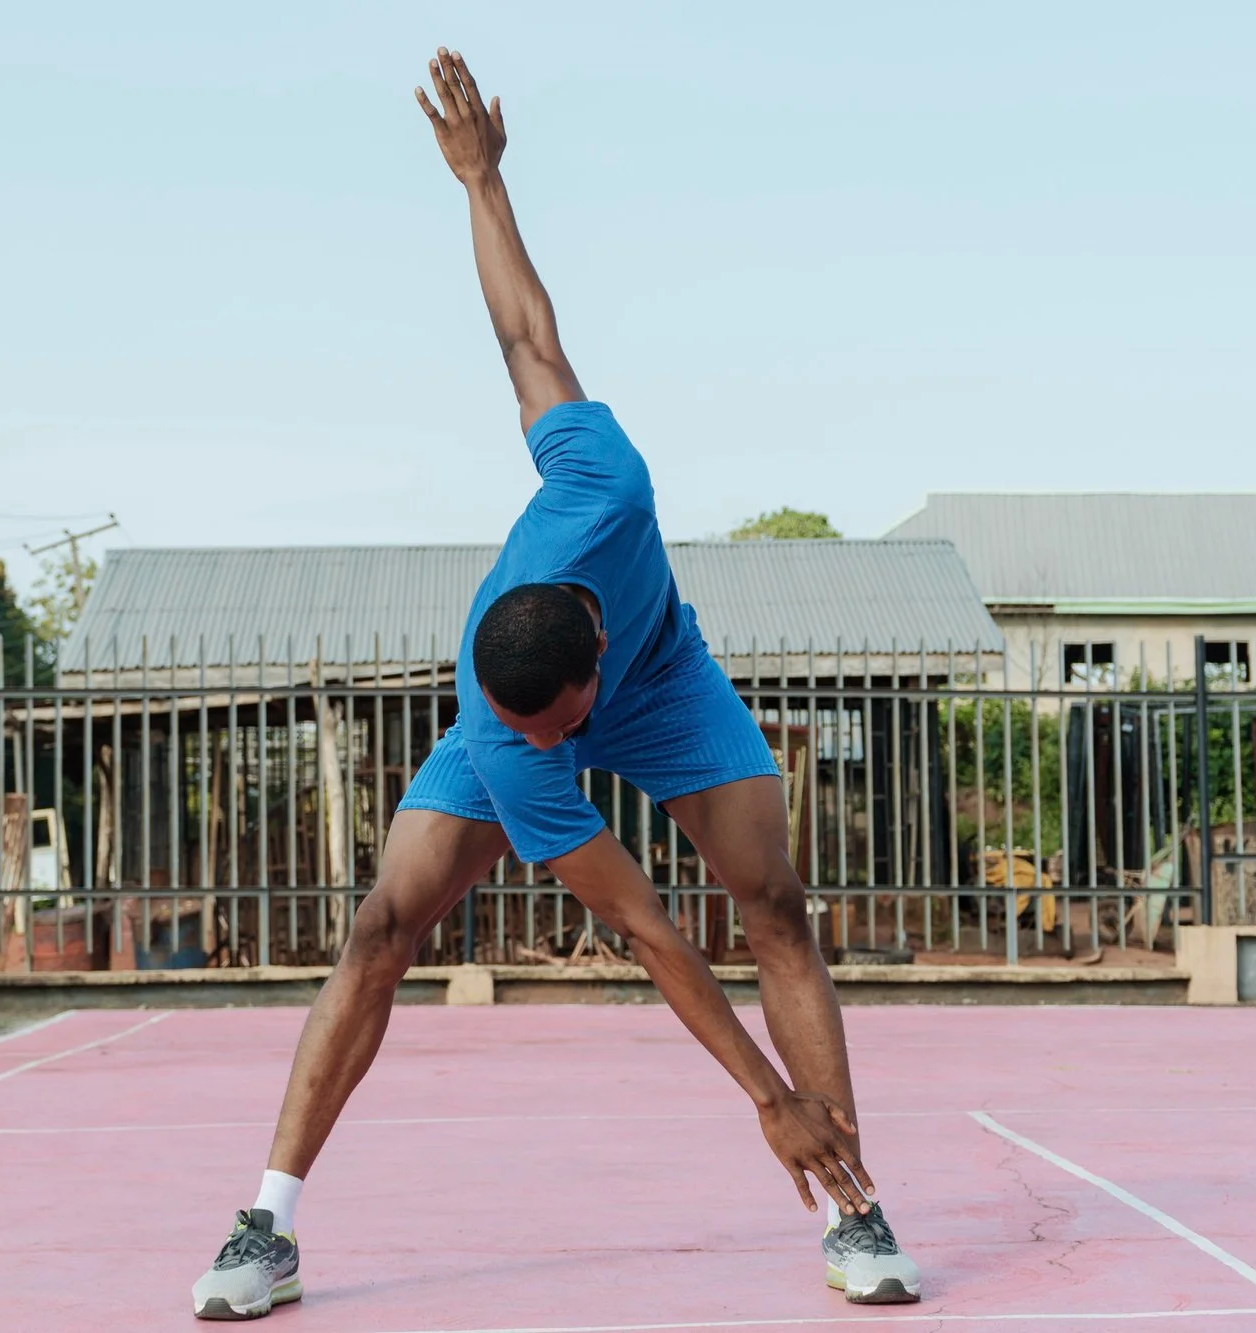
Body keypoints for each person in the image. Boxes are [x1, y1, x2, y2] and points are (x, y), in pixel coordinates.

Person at [190, 48, 922, 1321]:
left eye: (554, 728)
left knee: (774, 903)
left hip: (668, 679)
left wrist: (483, 181)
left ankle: (851, 1206)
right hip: (535, 698)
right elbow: (643, 927)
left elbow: (527, 336)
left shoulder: (604, 485)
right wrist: (765, 1099)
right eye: (527, 733)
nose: (550, 749)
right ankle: (269, 1224)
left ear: (586, 664)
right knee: (382, 926)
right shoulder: (507, 728)